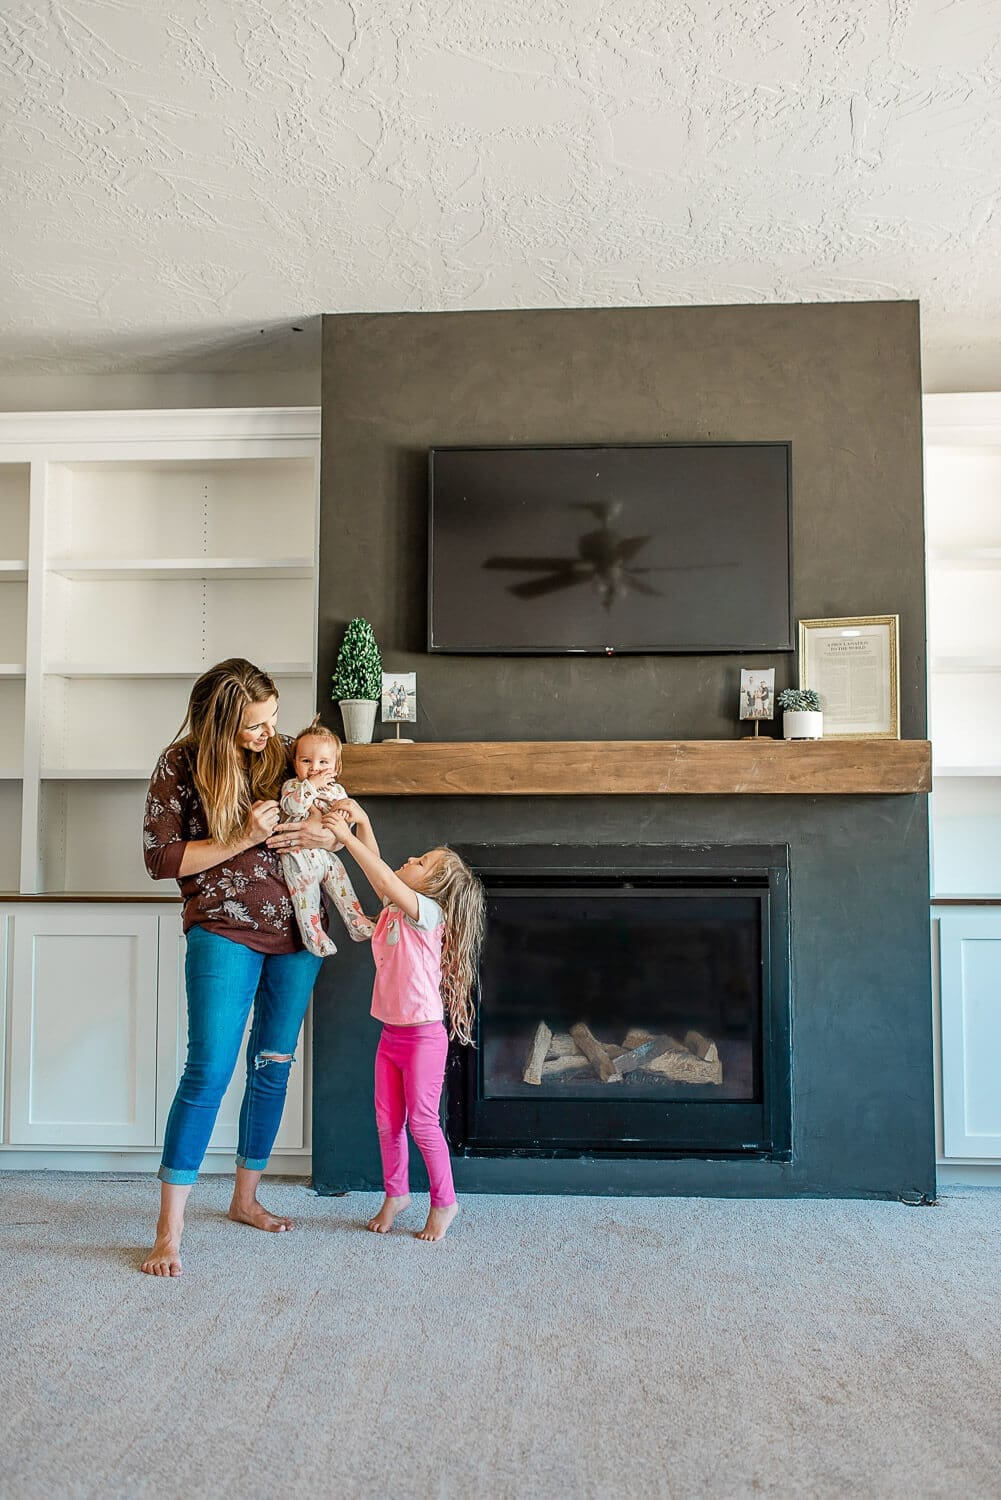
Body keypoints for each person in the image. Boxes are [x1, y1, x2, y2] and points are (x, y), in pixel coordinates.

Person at [140, 658, 347, 1277]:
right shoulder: (180, 764)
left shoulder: (286, 753)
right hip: (222, 930)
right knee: (207, 1071)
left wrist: (327, 835)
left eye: (273, 721)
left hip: (301, 932)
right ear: (222, 720)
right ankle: (168, 1231)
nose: (269, 735)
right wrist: (240, 836)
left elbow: (335, 815)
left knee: (273, 1066)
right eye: (256, 725)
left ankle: (245, 1198)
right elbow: (161, 859)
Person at [325, 800, 485, 1242]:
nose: (411, 859)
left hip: (423, 1038)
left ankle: (445, 1201)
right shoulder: (398, 908)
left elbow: (382, 876)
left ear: (433, 884)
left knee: (422, 1123)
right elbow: (384, 879)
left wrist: (347, 837)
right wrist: (364, 823)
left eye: (422, 861)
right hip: (392, 1034)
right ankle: (396, 1194)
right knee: (386, 1119)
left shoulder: (427, 913)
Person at [279, 716, 375, 957]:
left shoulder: (337, 791)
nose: (314, 768)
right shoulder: (293, 786)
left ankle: (356, 921)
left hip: (325, 855)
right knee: (306, 896)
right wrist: (310, 786)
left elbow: (343, 821)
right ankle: (313, 935)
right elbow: (294, 808)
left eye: (323, 762)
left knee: (342, 880)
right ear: (295, 764)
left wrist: (343, 813)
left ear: (336, 767)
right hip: (298, 855)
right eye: (306, 761)